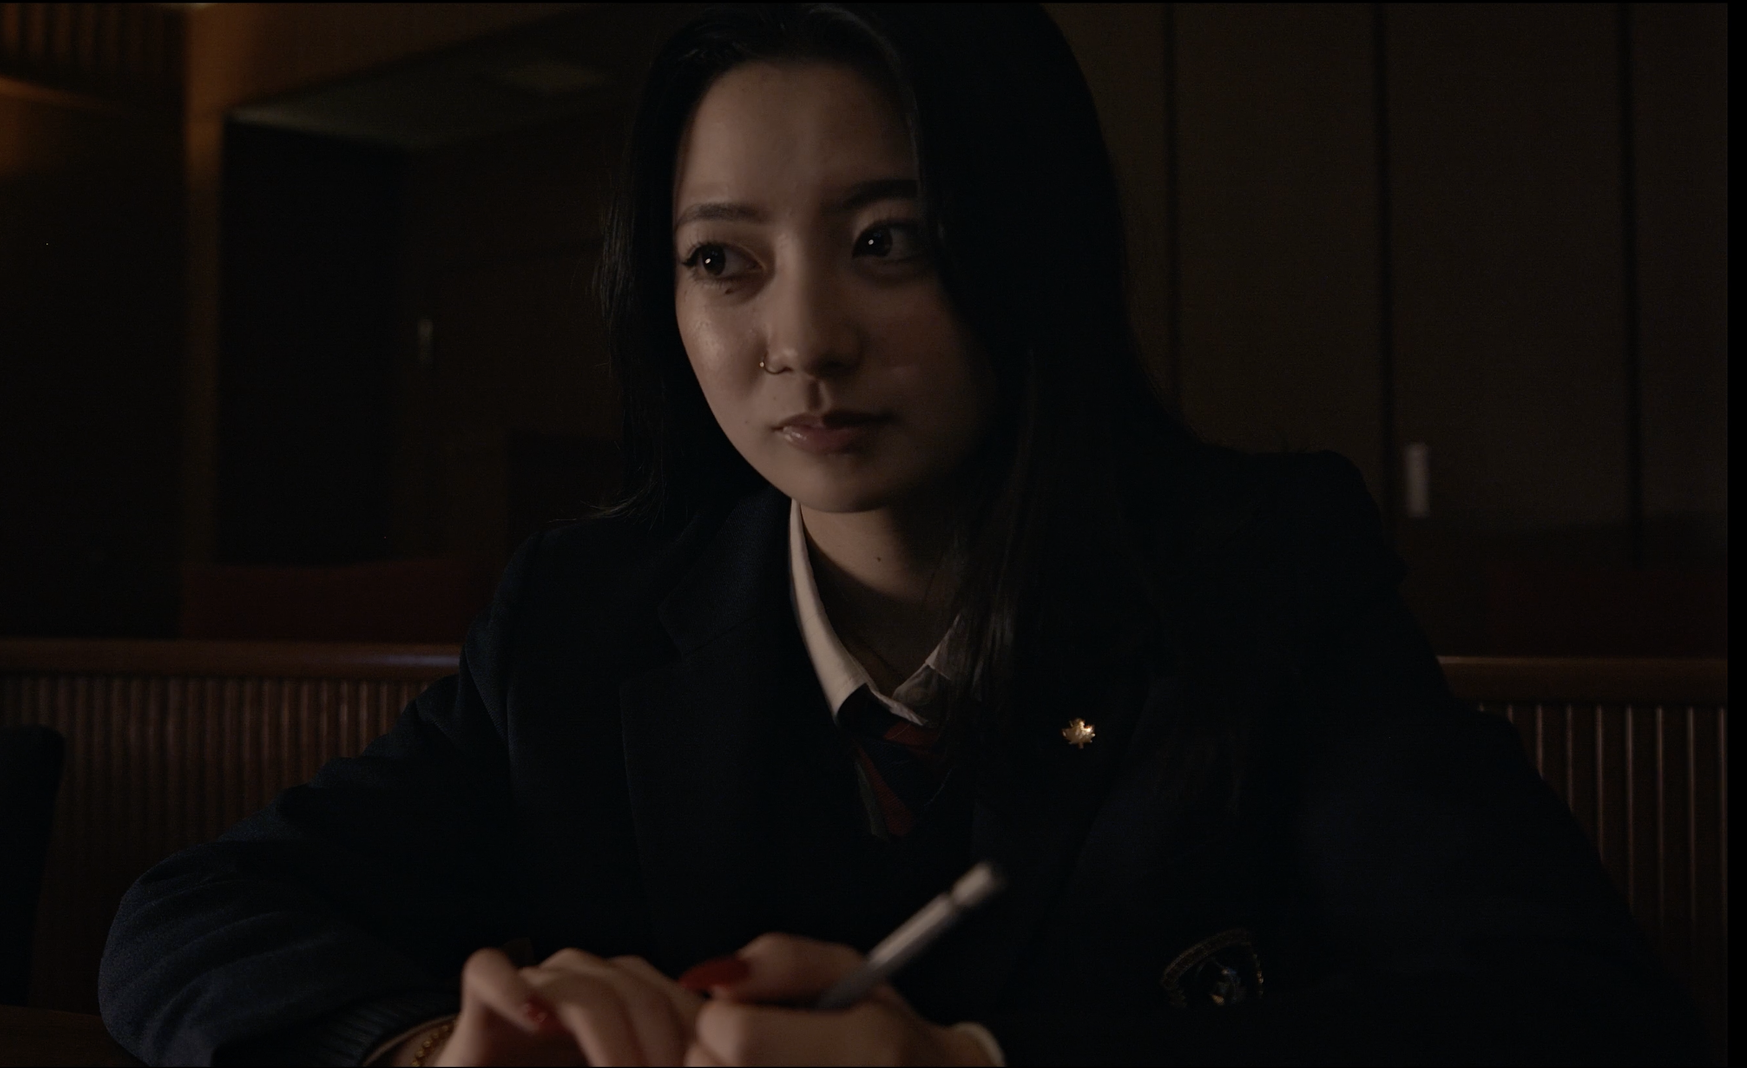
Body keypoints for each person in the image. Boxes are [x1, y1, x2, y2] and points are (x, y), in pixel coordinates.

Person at [101, 5, 1705, 1064]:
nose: (802, 340)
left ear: (1027, 250)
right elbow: (187, 923)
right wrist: (419, 1054)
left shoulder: (1254, 577)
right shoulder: (589, 616)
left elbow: (1567, 1009)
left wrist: (972, 1066)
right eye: (724, 262)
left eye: (889, 242)